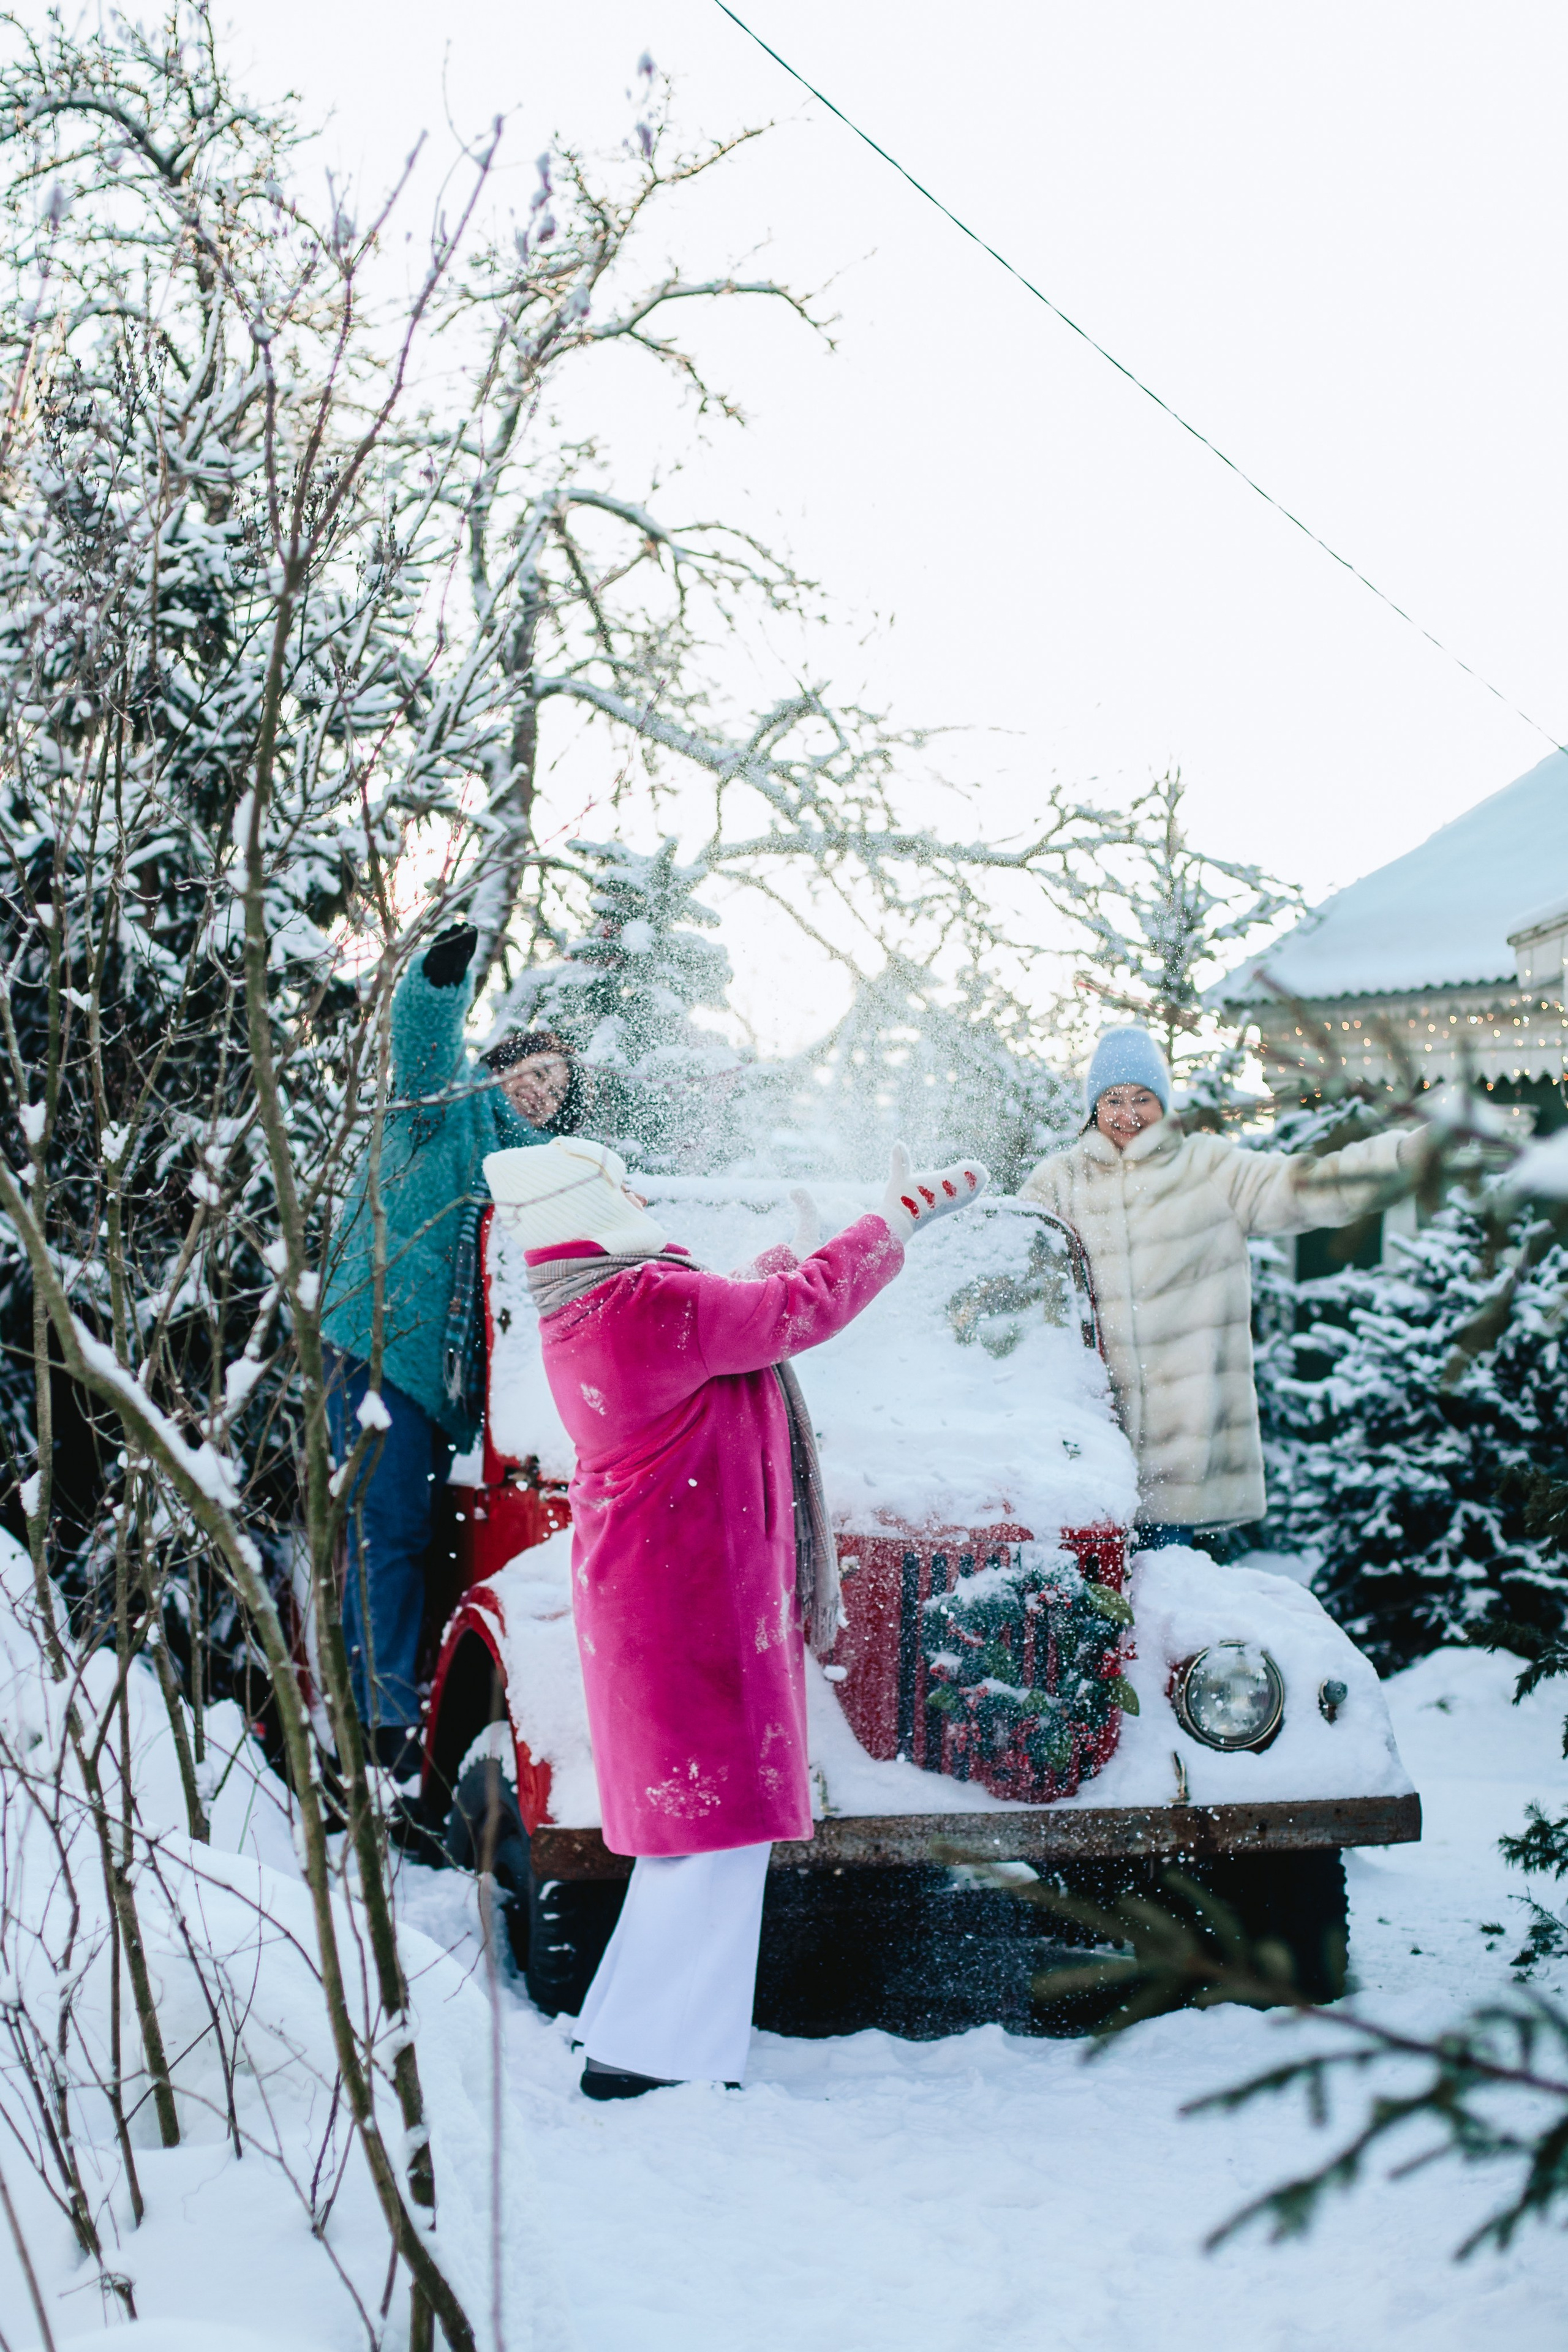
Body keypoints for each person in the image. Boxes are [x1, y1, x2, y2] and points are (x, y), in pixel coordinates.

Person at [483, 1131, 989, 2098]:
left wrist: (783, 1261)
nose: (632, 1190)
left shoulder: (594, 1304)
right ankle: (654, 2062)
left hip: (663, 1596)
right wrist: (891, 1226)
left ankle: (626, 2031)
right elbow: (781, 1318)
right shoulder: (641, 1304)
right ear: (587, 1210)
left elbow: (733, 1320)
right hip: (692, 1603)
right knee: (715, 1837)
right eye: (614, 1183)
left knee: (690, 1838)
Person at [320, 921, 581, 1774]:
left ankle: (427, 1712)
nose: (543, 1090)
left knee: (445, 1544)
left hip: (465, 1395)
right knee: (389, 1529)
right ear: (500, 1068)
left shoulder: (545, 1170)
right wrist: (439, 979)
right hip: (383, 1344)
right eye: (533, 1072)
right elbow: (424, 1045)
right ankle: (380, 1728)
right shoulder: (448, 1108)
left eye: (557, 1084)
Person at [1022, 1025, 1421, 1546]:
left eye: (1143, 1098)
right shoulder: (1059, 1181)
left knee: (1167, 1604)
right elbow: (1008, 1262)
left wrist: (1402, 1159)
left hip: (1181, 1458)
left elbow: (1304, 1186)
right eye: (1113, 1099)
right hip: (1089, 1449)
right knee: (1082, 1611)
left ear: (1163, 1103)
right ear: (1094, 1107)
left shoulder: (1207, 1167)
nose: (1129, 1113)